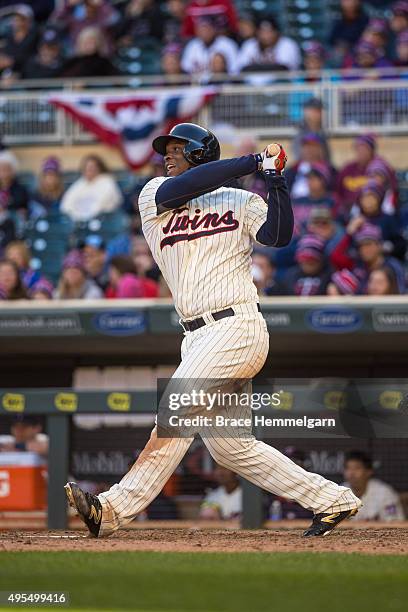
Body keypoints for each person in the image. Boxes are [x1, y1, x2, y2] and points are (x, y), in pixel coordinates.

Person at [65, 122, 361, 539]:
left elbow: (278, 236)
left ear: (201, 152)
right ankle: (332, 500)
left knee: (175, 409)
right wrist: (254, 161)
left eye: (177, 148)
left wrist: (275, 181)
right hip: (196, 337)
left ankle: (112, 508)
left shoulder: (240, 200)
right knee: (231, 447)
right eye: (164, 148)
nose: (166, 155)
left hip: (236, 325)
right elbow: (194, 183)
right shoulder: (154, 195)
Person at [330, 222, 406, 294]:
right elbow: (335, 257)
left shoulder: (393, 265)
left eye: (368, 244)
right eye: (361, 246)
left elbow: (401, 292)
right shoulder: (358, 266)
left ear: (379, 245)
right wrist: (349, 233)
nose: (364, 249)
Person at [343, 450, 405, 521]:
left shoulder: (385, 494)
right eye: (348, 468)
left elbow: (395, 524)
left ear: (369, 471)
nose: (351, 473)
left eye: (357, 468)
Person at [61, 155, 122, 222]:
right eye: (86, 168)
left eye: (91, 167)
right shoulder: (80, 183)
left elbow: (103, 206)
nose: (88, 170)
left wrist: (86, 217)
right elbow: (66, 206)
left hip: (103, 222)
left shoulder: (107, 182)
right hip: (79, 223)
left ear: (99, 168)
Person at [334, 134, 377, 220]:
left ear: (372, 150)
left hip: (372, 214)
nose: (361, 151)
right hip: (347, 212)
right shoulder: (347, 169)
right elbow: (337, 193)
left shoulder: (378, 169)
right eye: (358, 148)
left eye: (364, 148)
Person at [0, 4, 38, 76]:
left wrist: (12, 61)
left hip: (25, 74)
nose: (18, 22)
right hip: (8, 72)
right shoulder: (9, 35)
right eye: (16, 18)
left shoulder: (35, 35)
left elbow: (31, 58)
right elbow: (6, 52)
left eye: (21, 19)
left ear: (29, 21)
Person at [328, 0, 369, 65]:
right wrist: (340, 45)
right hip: (341, 52)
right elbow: (331, 40)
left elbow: (366, 39)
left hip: (359, 50)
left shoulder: (365, 20)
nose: (349, 3)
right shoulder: (338, 20)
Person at [0, 150, 29, 216]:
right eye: (1, 169)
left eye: (6, 169)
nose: (4, 173)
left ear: (13, 171)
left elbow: (23, 211)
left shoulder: (21, 190)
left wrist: (6, 211)